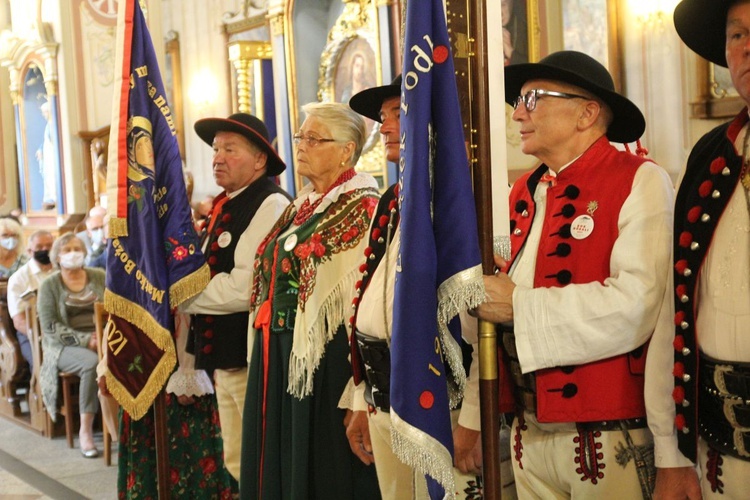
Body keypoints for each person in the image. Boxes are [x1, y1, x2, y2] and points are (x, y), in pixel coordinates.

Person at [473, 50, 674, 498]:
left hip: (603, 430)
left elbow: (636, 303)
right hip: (528, 427)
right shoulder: (522, 191)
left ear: (587, 112)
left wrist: (520, 306)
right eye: (520, 100)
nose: (518, 113)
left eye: (535, 98)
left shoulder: (638, 179)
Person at [346, 76, 485, 498]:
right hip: (382, 393)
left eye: (395, 114)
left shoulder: (463, 203)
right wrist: (359, 398)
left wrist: (474, 419)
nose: (384, 127)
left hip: (442, 400)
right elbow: (369, 301)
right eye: (383, 117)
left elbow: (479, 315)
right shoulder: (392, 200)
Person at [240, 102, 381, 499]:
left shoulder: (364, 207)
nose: (301, 146)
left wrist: (362, 391)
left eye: (314, 139)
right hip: (279, 353)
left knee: (325, 466)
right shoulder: (299, 207)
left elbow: (362, 300)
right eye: (300, 136)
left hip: (327, 360)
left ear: (346, 151)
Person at [646, 2, 750, 498]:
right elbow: (676, 307)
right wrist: (671, 453)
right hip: (717, 456)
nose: (746, 46)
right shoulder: (710, 156)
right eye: (736, 35)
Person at [181, 112, 291, 481]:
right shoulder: (225, 204)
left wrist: (180, 298)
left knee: (260, 463)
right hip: (227, 359)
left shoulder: (269, 204)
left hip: (252, 360)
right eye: (215, 149)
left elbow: (245, 288)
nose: (217, 157)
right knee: (237, 462)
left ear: (260, 159)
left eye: (230, 149)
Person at [111, 311, 236, 498]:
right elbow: (119, 305)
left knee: (185, 454)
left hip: (174, 363)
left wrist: (188, 369)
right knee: (146, 448)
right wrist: (109, 364)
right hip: (137, 363)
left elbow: (185, 304)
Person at [37, 233, 104, 458]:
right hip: (63, 346)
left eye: (77, 248)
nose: (72, 253)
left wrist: (102, 336)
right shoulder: (49, 285)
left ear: (84, 252)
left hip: (102, 338)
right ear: (57, 256)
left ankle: (122, 427)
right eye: (66, 250)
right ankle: (85, 430)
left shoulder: (99, 276)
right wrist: (86, 340)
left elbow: (114, 307)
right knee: (92, 363)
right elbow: (50, 326)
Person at [7, 230, 55, 369]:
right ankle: (41, 390)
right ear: (29, 251)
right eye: (39, 247)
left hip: (62, 328)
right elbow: (19, 320)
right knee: (43, 364)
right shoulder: (18, 279)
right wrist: (39, 336)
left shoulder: (62, 270)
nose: (45, 250)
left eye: (49, 246)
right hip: (31, 333)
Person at [36, 101, 57, 210]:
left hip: (53, 158)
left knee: (53, 177)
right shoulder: (48, 125)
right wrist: (40, 150)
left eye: (45, 112)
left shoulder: (54, 124)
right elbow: (45, 142)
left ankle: (55, 198)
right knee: (49, 178)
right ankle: (51, 198)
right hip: (48, 157)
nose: (44, 115)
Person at [502, 0, 528, 66]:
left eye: (503, 5)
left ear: (511, 3)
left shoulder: (524, 28)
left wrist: (511, 52)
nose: (500, 12)